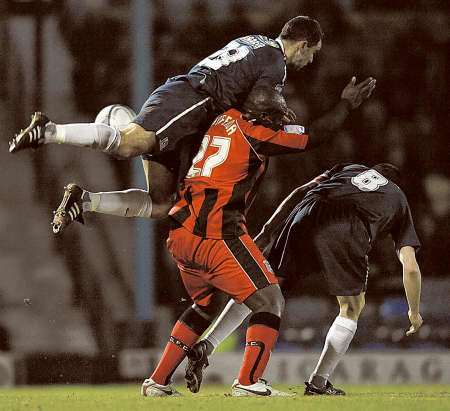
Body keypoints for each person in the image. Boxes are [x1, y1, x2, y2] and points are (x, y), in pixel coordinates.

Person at [139, 78, 375, 397]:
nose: (281, 119)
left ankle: (157, 382)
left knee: (203, 306)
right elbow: (316, 136)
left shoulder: (225, 118)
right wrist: (346, 104)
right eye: (275, 115)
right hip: (216, 233)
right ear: (261, 116)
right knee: (269, 298)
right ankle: (248, 382)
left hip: (181, 230)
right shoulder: (255, 134)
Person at [9, 15, 324, 219]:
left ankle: (85, 200)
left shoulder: (256, 42)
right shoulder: (276, 62)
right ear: (303, 45)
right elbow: (260, 97)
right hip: (191, 99)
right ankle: (49, 130)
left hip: (190, 108)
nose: (311, 61)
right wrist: (281, 110)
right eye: (313, 53)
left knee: (162, 202)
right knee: (129, 146)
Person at [185, 162, 423, 396]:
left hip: (306, 211)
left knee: (262, 289)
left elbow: (300, 191)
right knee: (352, 307)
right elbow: (410, 268)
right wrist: (413, 311)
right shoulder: (398, 198)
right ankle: (318, 382)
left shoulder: (348, 168)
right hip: (348, 225)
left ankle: (208, 344)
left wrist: (268, 232)